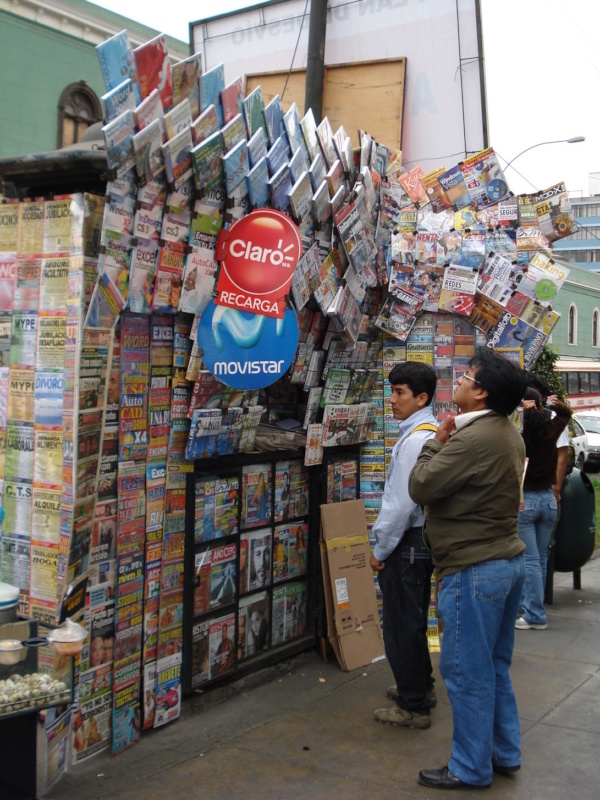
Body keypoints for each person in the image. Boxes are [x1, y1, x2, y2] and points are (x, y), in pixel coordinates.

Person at [409, 349, 528, 790]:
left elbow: (420, 485)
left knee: (465, 672)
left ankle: (469, 767)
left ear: (481, 392)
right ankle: (503, 751)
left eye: (467, 375)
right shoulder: (505, 432)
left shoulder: (471, 439)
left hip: (474, 567)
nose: (457, 380)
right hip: (503, 561)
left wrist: (432, 442)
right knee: (494, 666)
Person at [370, 362, 438, 730]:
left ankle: (414, 705)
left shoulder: (415, 441)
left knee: (401, 624)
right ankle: (420, 687)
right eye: (392, 391)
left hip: (407, 543)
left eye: (400, 392)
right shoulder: (428, 432)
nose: (392, 400)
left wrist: (379, 551)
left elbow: (400, 505)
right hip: (421, 541)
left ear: (421, 397)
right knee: (412, 620)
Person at [516, 387, 571, 631]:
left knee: (528, 560)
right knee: (539, 559)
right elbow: (566, 415)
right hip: (548, 499)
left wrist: (521, 409)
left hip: (525, 501)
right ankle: (535, 607)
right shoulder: (551, 431)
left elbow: (505, 419)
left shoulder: (519, 435)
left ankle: (533, 613)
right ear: (540, 406)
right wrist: (554, 405)